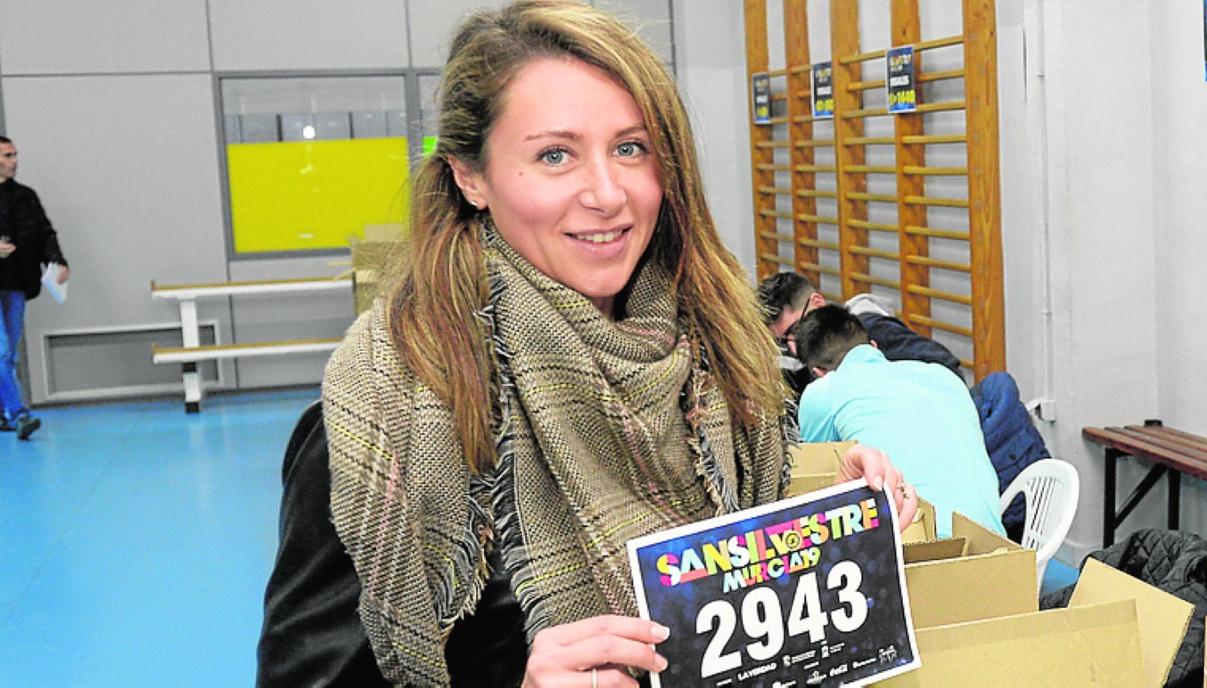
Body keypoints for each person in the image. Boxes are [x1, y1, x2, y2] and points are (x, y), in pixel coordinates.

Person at [256, 3, 917, 686]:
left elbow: (723, 593)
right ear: (469, 176)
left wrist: (828, 516)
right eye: (554, 155)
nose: (607, 194)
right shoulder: (391, 415)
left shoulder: (718, 359)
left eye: (630, 148)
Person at [793, 303, 1002, 539]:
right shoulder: (942, 375)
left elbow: (817, 481)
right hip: (995, 541)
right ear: (873, 346)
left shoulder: (824, 390)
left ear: (817, 372)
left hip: (918, 543)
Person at [758, 271, 963, 385]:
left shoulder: (870, 329)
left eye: (794, 329)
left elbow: (947, 368)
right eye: (783, 342)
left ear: (817, 303)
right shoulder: (802, 356)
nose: (793, 349)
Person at [0, 135, 69, 441]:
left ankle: (4, 412)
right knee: (0, 352)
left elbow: (44, 233)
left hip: (16, 283)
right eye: (7, 155)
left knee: (10, 354)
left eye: (15, 154)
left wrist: (57, 261)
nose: (14, 160)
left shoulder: (25, 196)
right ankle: (19, 414)